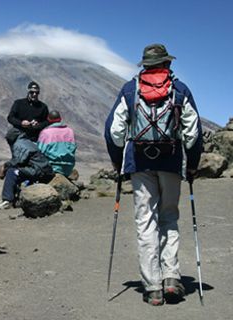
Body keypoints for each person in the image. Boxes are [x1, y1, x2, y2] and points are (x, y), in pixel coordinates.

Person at [104, 44, 202, 306]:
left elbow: (113, 131)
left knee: (145, 221)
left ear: (144, 65)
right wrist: (192, 165)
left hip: (139, 163)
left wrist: (117, 162)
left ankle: (152, 287)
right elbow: (193, 134)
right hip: (171, 162)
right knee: (169, 217)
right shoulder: (179, 89)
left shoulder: (129, 89)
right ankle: (171, 278)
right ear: (167, 64)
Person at [0, 133, 55, 209]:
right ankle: (15, 199)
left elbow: (17, 161)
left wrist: (5, 167)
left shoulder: (19, 144)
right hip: (43, 170)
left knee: (12, 172)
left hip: (39, 170)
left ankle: (7, 200)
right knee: (19, 171)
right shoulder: (26, 141)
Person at [5, 81, 50, 148]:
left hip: (35, 137)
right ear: (28, 92)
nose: (34, 94)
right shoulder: (18, 104)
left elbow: (47, 121)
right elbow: (10, 118)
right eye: (32, 92)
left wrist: (38, 125)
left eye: (37, 93)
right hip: (19, 135)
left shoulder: (43, 107)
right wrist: (21, 123)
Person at [37, 110, 77, 177]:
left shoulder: (46, 133)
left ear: (48, 120)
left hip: (51, 167)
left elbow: (39, 151)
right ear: (60, 119)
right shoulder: (70, 131)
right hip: (68, 167)